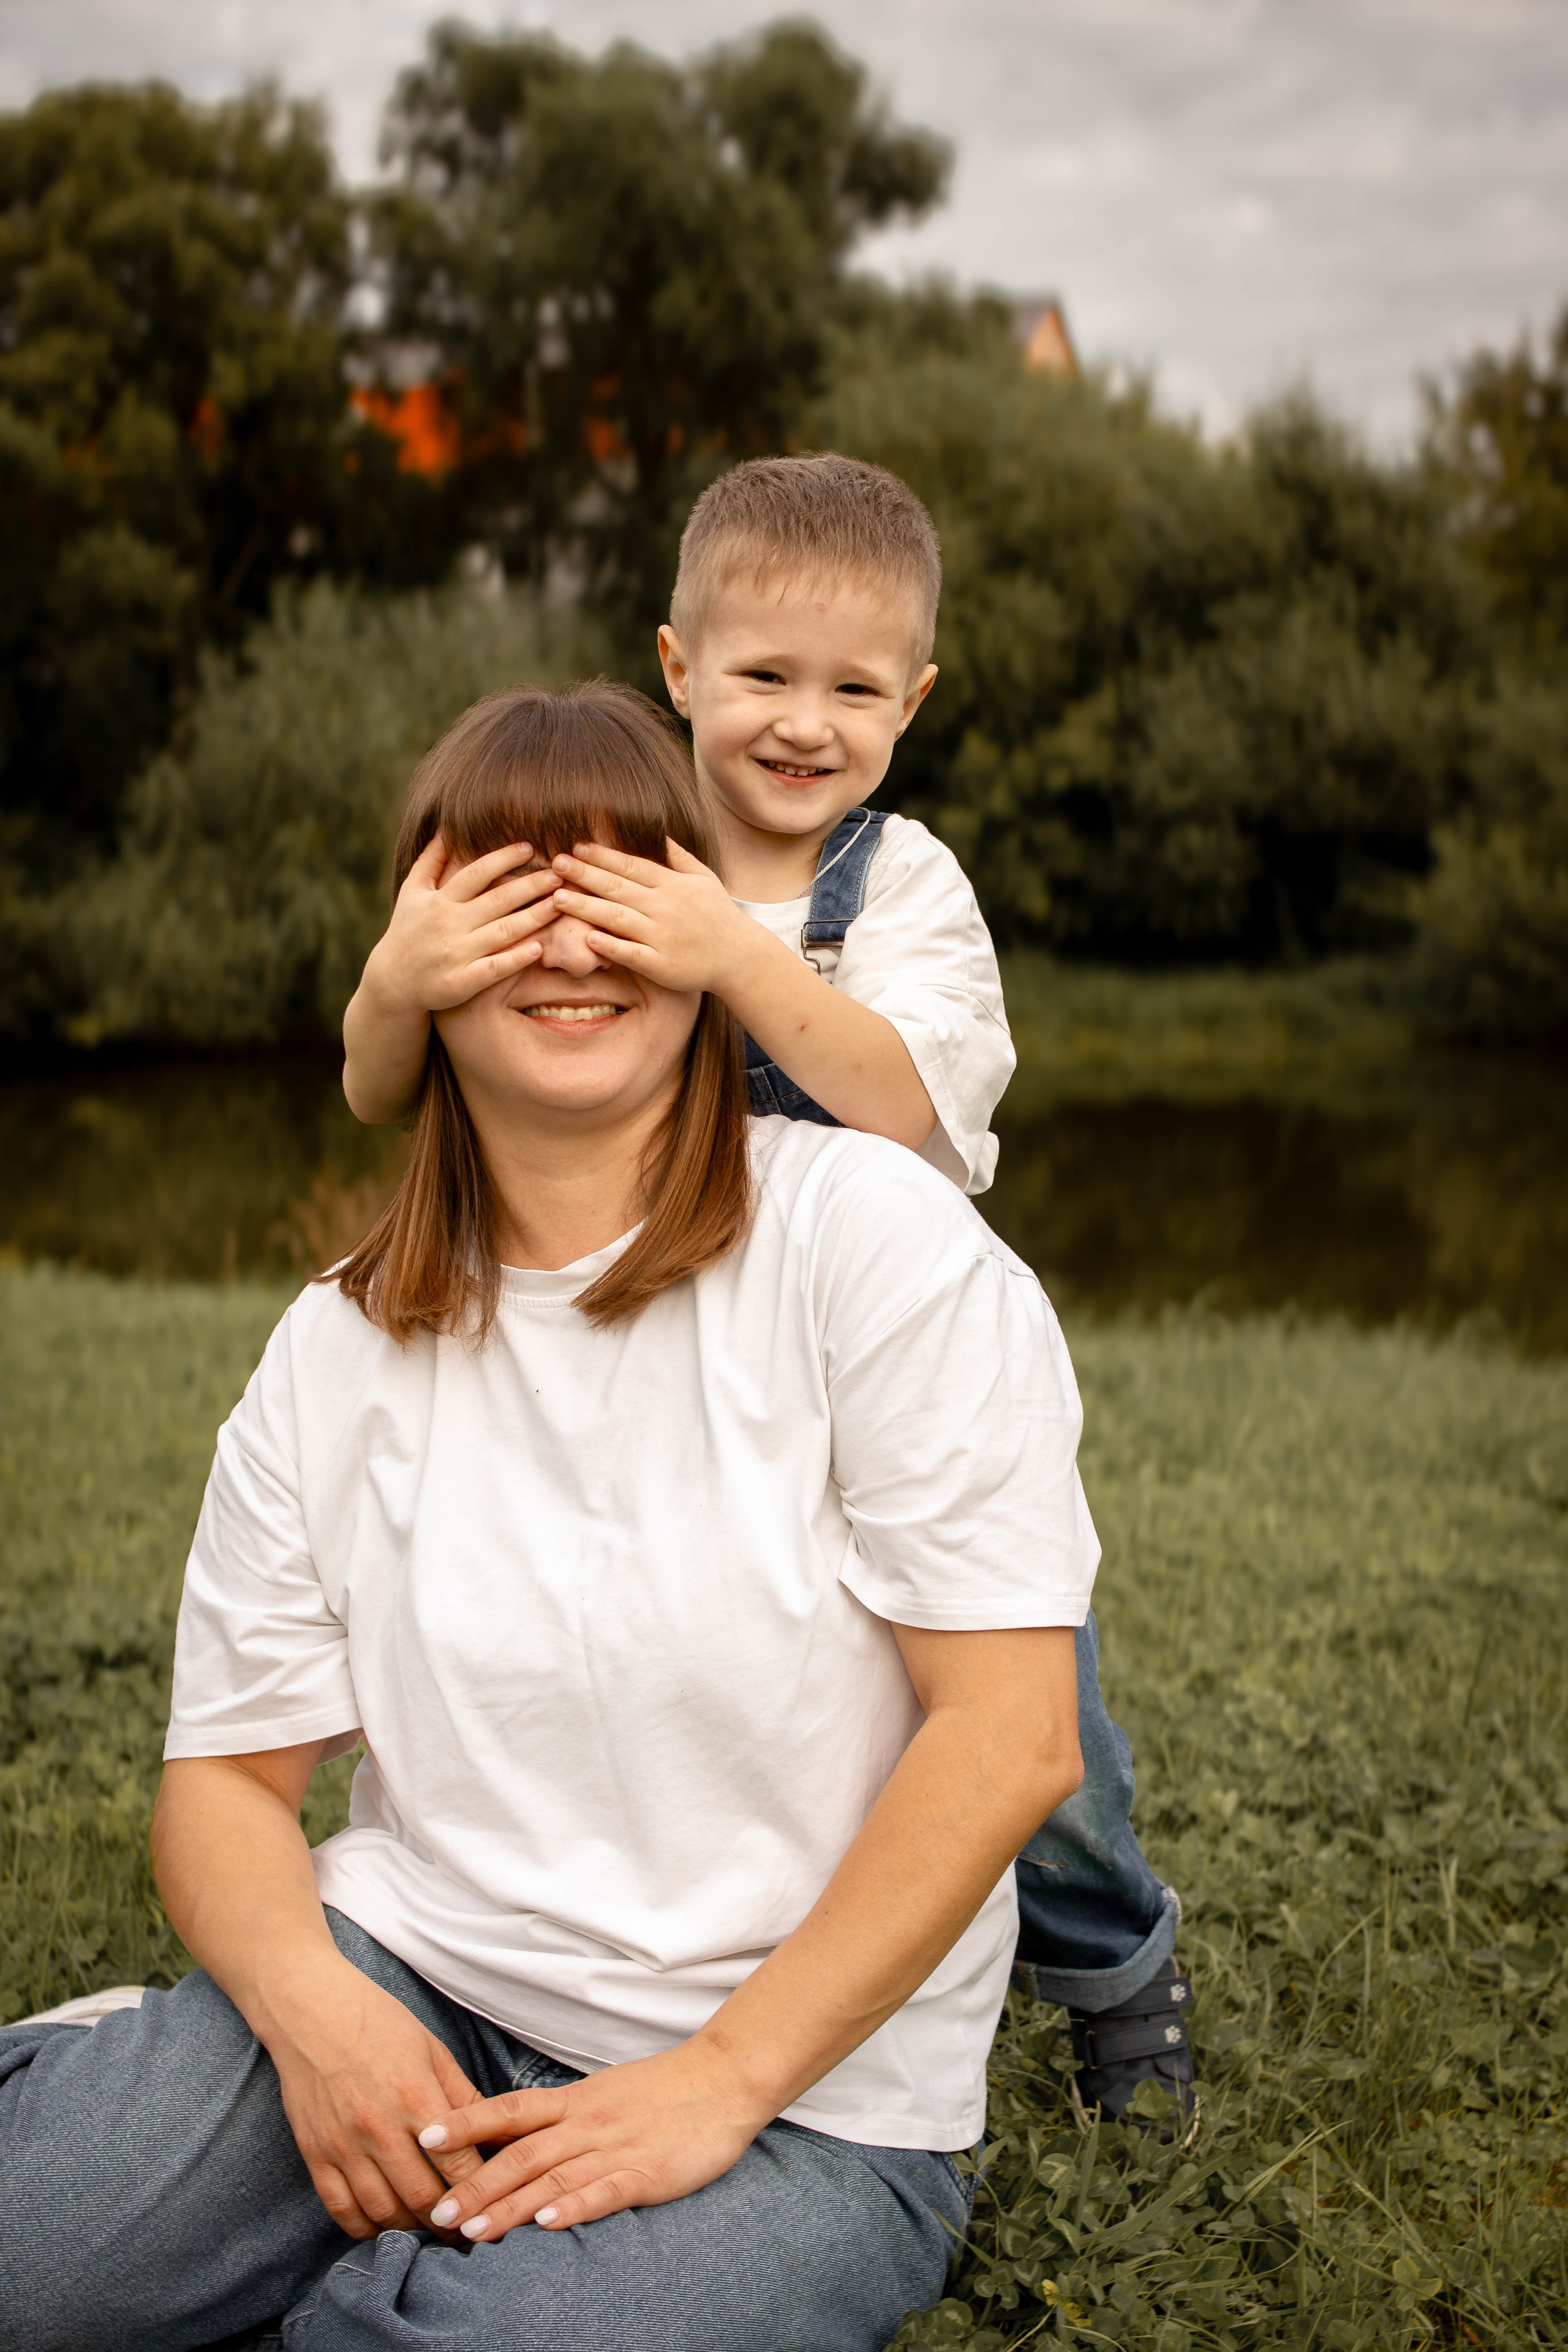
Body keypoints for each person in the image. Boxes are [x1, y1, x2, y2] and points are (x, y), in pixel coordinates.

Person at [1, 683, 1096, 2352]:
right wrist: (314, 2018)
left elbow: (1012, 1737)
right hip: (412, 1979)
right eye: (511, 897)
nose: (570, 948)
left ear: (706, 939)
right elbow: (225, 1785)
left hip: (805, 2101)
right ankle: (137, 2097)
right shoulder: (335, 1343)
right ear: (418, 966)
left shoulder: (877, 1245)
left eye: (618, 893)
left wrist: (719, 2081)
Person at [340, 456, 1195, 2127]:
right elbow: (391, 1086)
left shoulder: (904, 893)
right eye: (762, 678)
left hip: (895, 1372)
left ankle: (1110, 1958)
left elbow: (900, 1102)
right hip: (672, 1361)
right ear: (677, 670)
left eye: (855, 689)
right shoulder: (605, 841)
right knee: (699, 1657)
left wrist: (731, 952)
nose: (805, 723)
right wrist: (397, 980)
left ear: (916, 701)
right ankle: (652, 1945)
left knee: (1036, 1725)